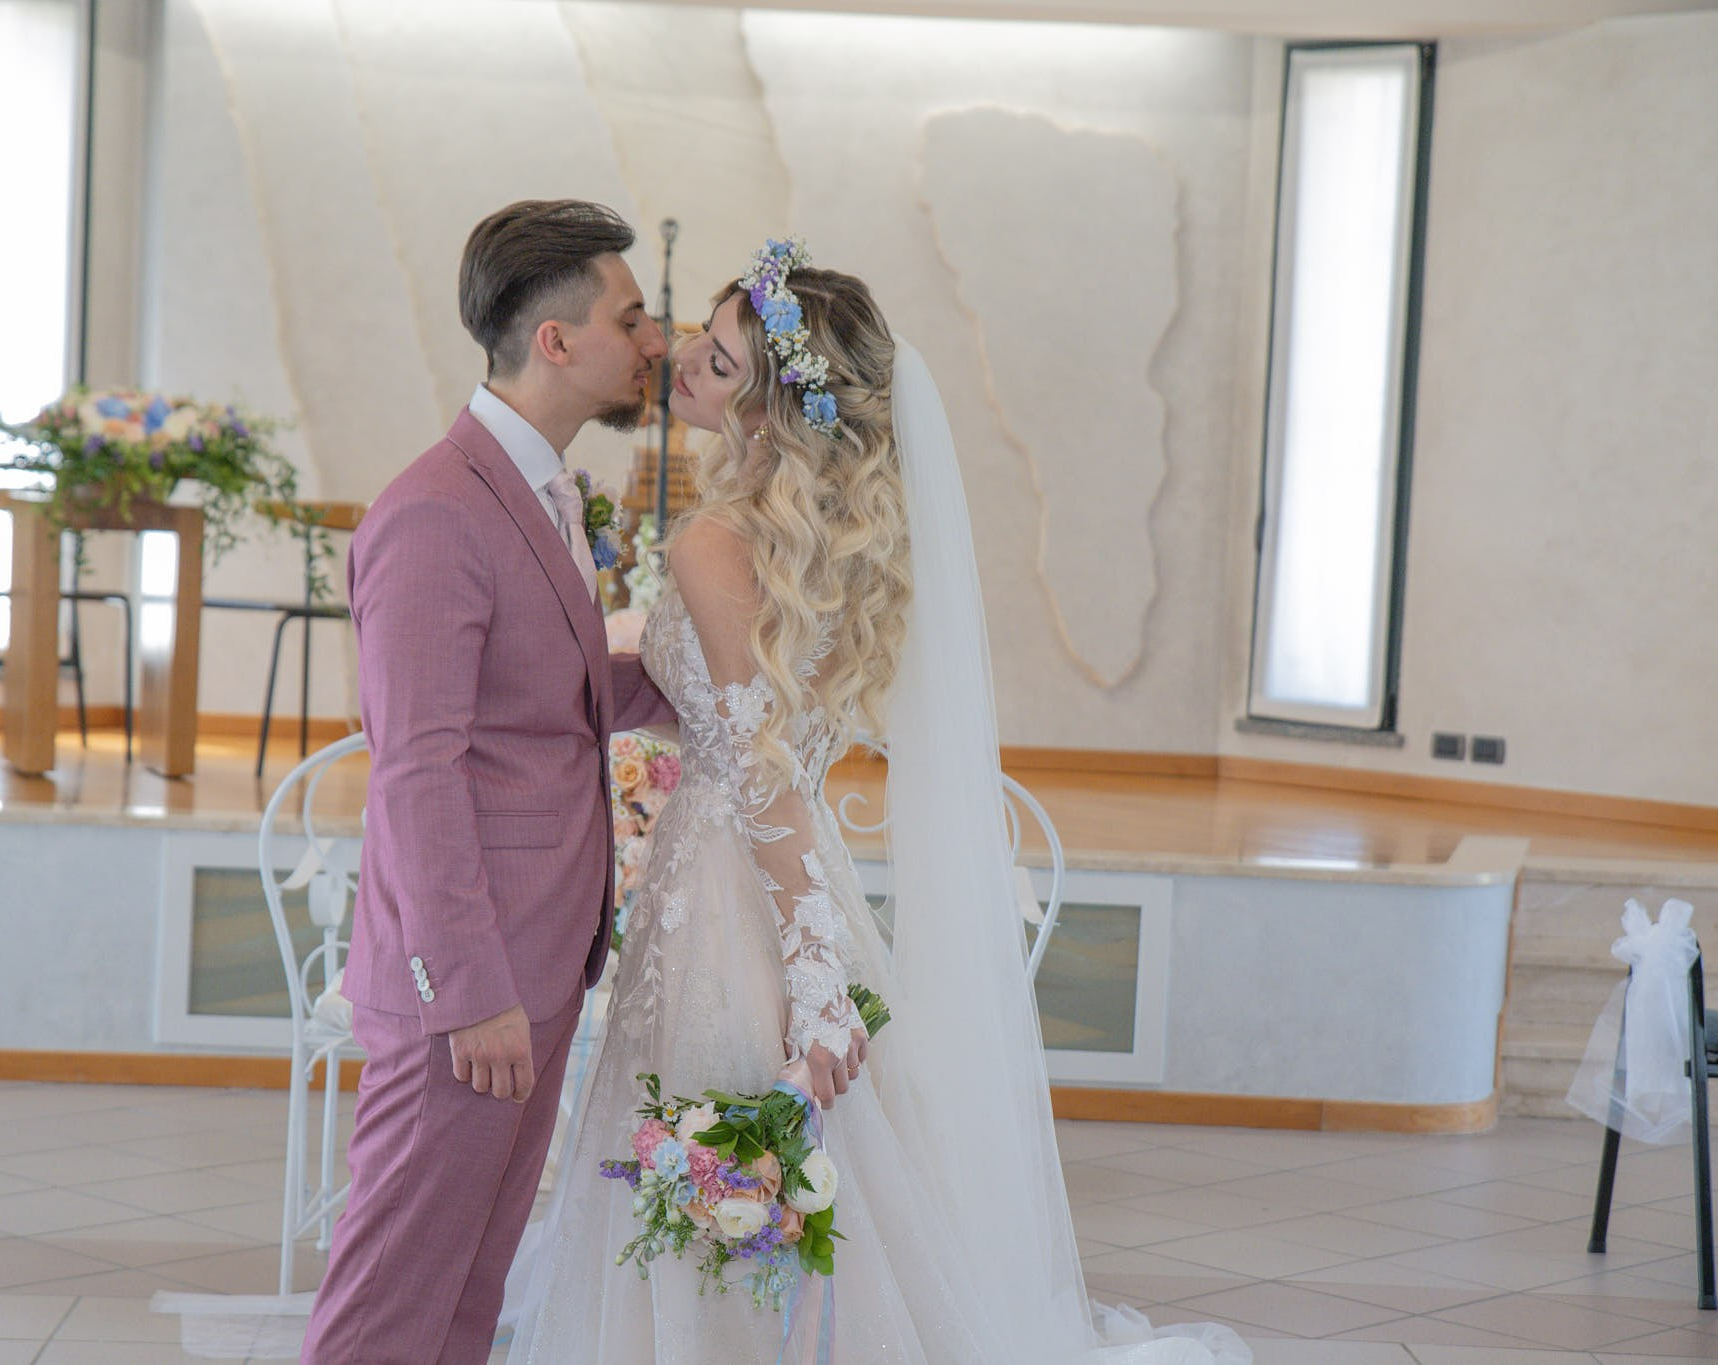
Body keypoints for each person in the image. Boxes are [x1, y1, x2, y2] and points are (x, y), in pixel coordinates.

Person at [503, 240, 1248, 1363]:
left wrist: (810, 983)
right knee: (796, 1176)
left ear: (768, 401)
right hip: (794, 876)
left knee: (730, 1140)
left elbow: (752, 763)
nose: (683, 369)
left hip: (730, 886)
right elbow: (742, 719)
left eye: (713, 359)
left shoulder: (714, 543)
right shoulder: (815, 545)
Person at [301, 199, 676, 1364]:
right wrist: (466, 988)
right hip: (467, 987)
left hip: (540, 954)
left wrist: (703, 680)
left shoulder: (543, 489)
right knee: (391, 1299)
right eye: (630, 316)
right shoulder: (434, 510)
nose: (652, 340)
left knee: (469, 1287)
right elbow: (415, 770)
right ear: (555, 342)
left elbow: (540, 703)